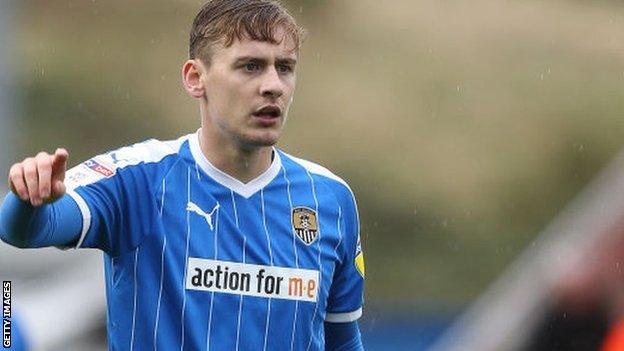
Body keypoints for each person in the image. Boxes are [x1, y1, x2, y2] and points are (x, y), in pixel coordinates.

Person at [0, 1, 365, 350]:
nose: (273, 85)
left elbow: (344, 340)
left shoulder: (330, 199)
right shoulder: (138, 179)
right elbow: (23, 230)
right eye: (250, 66)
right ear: (195, 78)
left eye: (284, 67)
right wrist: (27, 200)